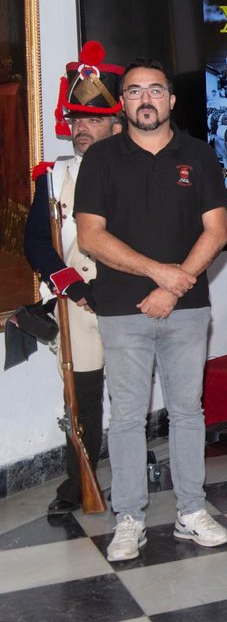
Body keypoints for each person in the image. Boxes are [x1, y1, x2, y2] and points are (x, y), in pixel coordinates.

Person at [75, 57, 227, 562]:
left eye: (156, 90)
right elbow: (91, 236)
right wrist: (160, 274)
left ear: (171, 99)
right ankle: (129, 518)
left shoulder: (200, 154)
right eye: (136, 91)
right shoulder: (100, 160)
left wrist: (173, 285)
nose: (146, 99)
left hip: (186, 309)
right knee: (126, 418)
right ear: (123, 102)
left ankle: (191, 510)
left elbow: (217, 230)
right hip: (122, 309)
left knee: (187, 411)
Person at [24, 41, 124, 515]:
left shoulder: (138, 174)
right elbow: (37, 244)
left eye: (94, 119)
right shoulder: (52, 176)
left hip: (127, 298)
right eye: (78, 119)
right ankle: (76, 480)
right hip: (77, 300)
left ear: (115, 123)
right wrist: (72, 285)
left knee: (129, 396)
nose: (83, 128)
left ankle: (127, 477)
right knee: (81, 399)